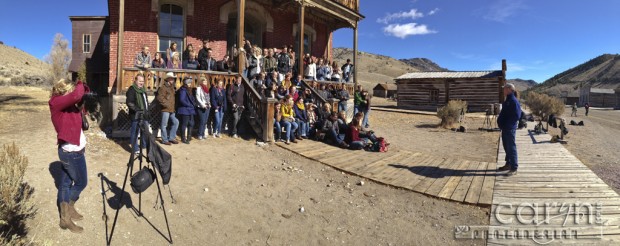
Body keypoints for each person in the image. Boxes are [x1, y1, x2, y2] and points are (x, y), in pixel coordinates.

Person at [49, 79, 89, 233]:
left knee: (65, 184)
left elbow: (81, 94)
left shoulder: (69, 104)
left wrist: (82, 88)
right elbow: (77, 94)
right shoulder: (56, 102)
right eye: (70, 90)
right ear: (63, 90)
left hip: (73, 150)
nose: (73, 93)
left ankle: (68, 211)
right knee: (81, 182)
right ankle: (65, 217)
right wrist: (80, 82)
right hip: (71, 152)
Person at [497, 83, 521, 176]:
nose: (503, 90)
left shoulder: (513, 101)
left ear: (510, 89)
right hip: (505, 128)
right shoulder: (508, 100)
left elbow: (516, 116)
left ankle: (514, 168)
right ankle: (508, 164)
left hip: (509, 128)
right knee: (507, 147)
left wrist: (507, 125)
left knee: (511, 148)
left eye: (505, 88)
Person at [126, 73, 149, 153]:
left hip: (144, 115)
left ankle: (144, 145)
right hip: (136, 115)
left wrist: (146, 111)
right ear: (135, 81)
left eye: (142, 81)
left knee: (145, 130)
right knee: (135, 132)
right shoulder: (132, 89)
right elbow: (129, 103)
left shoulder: (143, 90)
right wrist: (138, 110)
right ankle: (135, 148)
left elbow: (145, 102)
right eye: (140, 81)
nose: (141, 83)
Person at [157, 72, 180, 145]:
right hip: (165, 109)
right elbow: (160, 98)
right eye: (172, 78)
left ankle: (171, 138)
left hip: (171, 109)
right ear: (168, 79)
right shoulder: (163, 88)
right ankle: (164, 140)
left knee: (176, 122)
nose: (173, 80)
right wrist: (166, 105)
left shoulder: (172, 87)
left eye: (173, 78)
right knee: (164, 125)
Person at [177, 78, 196, 144]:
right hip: (185, 109)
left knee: (191, 123)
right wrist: (188, 105)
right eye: (189, 83)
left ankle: (189, 137)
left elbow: (192, 99)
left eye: (190, 83)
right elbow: (182, 100)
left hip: (190, 109)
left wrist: (193, 104)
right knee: (184, 124)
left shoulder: (189, 90)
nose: (190, 84)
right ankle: (183, 138)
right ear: (186, 83)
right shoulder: (183, 90)